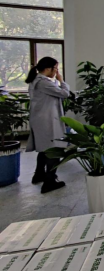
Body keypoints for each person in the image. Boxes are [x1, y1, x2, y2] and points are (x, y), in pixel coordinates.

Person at [25, 57, 70, 194]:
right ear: (48, 68)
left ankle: (39, 175)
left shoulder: (37, 80)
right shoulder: (43, 82)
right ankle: (49, 182)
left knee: (44, 149)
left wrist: (56, 81)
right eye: (55, 68)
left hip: (41, 119)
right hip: (47, 121)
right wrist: (62, 81)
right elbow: (64, 93)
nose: (57, 71)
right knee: (54, 150)